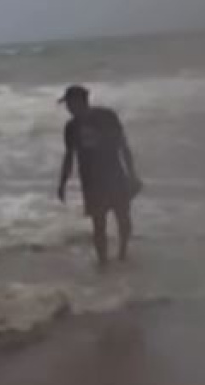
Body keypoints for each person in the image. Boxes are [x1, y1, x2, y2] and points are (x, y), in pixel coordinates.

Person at [57, 85, 142, 267]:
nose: (68, 108)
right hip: (91, 181)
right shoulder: (71, 127)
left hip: (113, 174)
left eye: (69, 103)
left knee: (122, 217)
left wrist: (132, 174)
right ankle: (103, 261)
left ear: (79, 101)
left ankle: (123, 254)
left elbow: (122, 146)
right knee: (99, 223)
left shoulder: (106, 117)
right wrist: (62, 183)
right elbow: (69, 157)